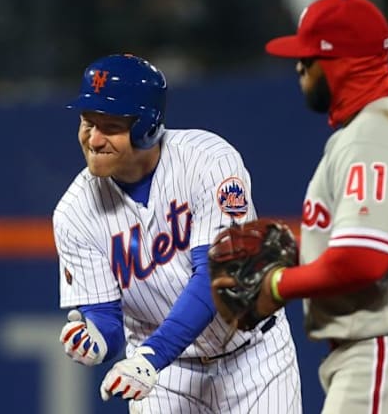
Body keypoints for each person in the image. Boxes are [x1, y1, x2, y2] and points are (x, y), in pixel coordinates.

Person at [245, 0, 388, 413]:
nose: (299, 67)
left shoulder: (371, 135)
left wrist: (277, 285)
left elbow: (363, 260)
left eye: (309, 57)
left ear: (340, 63)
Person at [54, 54, 302, 413]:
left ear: (147, 127)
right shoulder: (74, 212)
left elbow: (217, 279)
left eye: (108, 126)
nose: (93, 139)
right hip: (164, 378)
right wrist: (96, 340)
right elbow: (106, 318)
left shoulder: (207, 160)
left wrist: (152, 357)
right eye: (86, 123)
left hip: (253, 359)